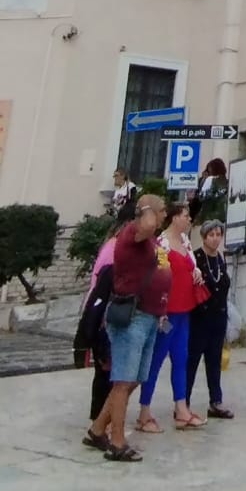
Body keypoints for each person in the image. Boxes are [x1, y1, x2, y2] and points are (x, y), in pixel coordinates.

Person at [89, 194, 168, 462]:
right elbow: (145, 225)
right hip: (131, 317)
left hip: (148, 317)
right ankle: (117, 442)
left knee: (133, 378)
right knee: (122, 381)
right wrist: (148, 207)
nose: (165, 215)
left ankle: (98, 429)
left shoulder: (149, 239)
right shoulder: (132, 233)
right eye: (162, 211)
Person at [135, 200, 205, 433]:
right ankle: (144, 411)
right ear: (175, 218)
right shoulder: (162, 243)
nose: (189, 219)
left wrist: (196, 272)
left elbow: (191, 265)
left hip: (184, 309)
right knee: (156, 360)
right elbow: (157, 275)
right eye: (185, 215)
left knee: (181, 358)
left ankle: (181, 408)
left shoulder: (185, 241)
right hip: (168, 311)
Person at [186, 218, 236, 420]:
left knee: (215, 362)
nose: (215, 239)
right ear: (204, 237)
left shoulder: (220, 259)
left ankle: (216, 400)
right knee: (192, 361)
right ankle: (184, 401)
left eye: (218, 235)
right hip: (199, 318)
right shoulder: (196, 258)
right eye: (211, 235)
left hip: (218, 317)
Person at [74, 256, 119, 426]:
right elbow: (96, 303)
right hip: (104, 329)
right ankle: (98, 419)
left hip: (114, 328)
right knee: (104, 375)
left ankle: (105, 418)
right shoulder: (111, 268)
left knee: (112, 377)